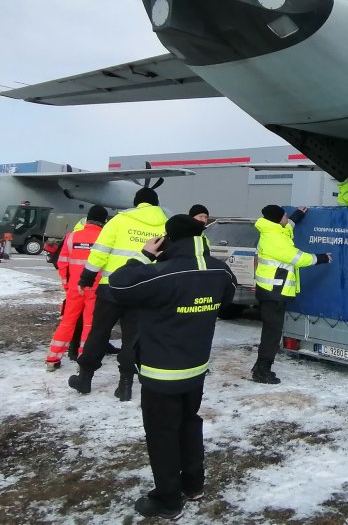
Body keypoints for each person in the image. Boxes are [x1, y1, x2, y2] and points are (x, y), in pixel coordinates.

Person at [108, 214, 236, 519]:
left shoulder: (162, 273)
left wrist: (144, 255)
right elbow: (227, 297)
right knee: (189, 423)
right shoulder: (219, 270)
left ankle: (168, 500)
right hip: (196, 367)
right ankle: (193, 485)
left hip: (161, 372)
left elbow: (117, 285)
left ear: (169, 239)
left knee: (162, 434)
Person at [68, 187, 167, 401]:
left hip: (111, 288)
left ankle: (84, 379)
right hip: (143, 291)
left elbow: (100, 252)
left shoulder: (120, 220)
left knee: (99, 333)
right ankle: (125, 386)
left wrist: (86, 278)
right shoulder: (165, 225)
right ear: (156, 203)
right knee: (132, 338)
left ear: (136, 202)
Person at [252, 204, 331, 383]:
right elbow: (298, 258)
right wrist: (322, 258)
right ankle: (262, 371)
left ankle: (260, 367)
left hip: (271, 291)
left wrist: (298, 215)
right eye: (285, 216)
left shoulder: (274, 229)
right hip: (273, 293)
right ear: (277, 219)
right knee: (272, 334)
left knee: (271, 331)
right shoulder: (274, 239)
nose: (287, 218)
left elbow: (288, 226)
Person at [44, 205, 108, 371]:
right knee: (89, 324)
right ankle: (83, 359)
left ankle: (52, 359)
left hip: (74, 287)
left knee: (67, 322)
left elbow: (62, 263)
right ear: (104, 221)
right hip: (95, 288)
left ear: (88, 219)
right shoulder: (105, 238)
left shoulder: (71, 237)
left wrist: (67, 284)